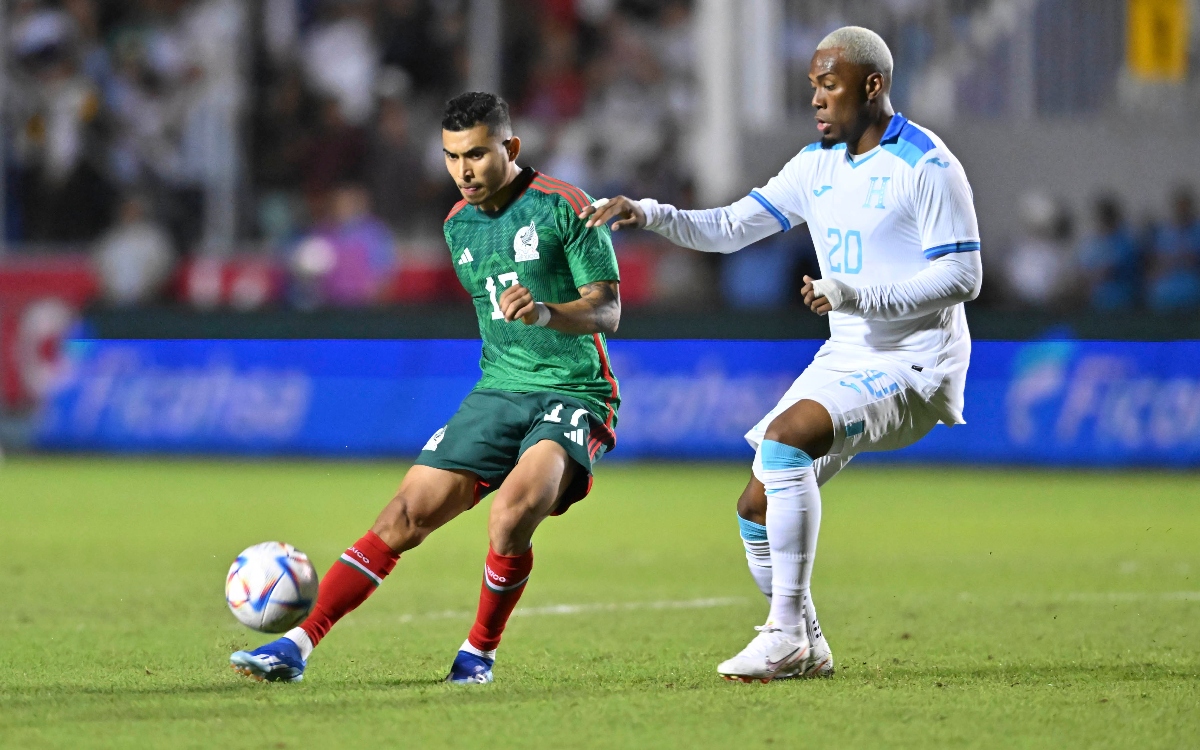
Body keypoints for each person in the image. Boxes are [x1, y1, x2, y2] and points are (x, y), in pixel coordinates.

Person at [580, 26, 982, 682]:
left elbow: (965, 279)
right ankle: (810, 642)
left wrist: (857, 293)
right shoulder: (816, 164)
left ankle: (784, 633)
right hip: (847, 358)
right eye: (813, 86)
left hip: (916, 364)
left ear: (873, 86)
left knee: (786, 441)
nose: (817, 98)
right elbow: (734, 226)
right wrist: (649, 212)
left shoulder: (929, 167)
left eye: (830, 84)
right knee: (756, 506)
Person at [231, 92, 622, 684]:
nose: (463, 171)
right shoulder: (457, 226)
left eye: (478, 155)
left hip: (573, 392)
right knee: (404, 515)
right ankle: (296, 644)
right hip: (498, 391)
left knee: (511, 516)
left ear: (510, 148)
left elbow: (608, 309)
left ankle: (478, 653)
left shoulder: (566, 206)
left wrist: (545, 312)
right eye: (450, 157)